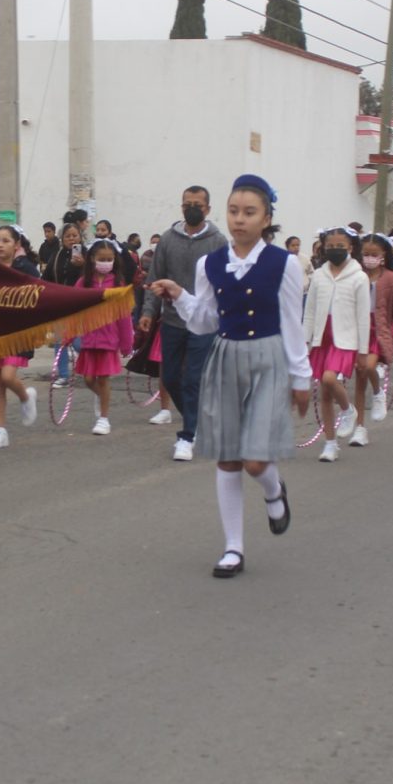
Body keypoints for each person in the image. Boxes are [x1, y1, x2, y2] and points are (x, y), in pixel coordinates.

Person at [148, 174, 310, 578]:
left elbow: (293, 323)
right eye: (234, 211)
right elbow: (205, 322)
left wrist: (301, 377)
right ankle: (233, 548)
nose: (239, 219)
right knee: (228, 458)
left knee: (256, 461)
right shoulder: (210, 263)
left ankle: (274, 490)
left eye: (249, 212)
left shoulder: (284, 264)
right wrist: (179, 294)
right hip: (226, 358)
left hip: (269, 359)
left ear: (266, 217)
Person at [139, 185, 228, 462]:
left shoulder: (218, 242)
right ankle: (197, 420)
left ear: (208, 209)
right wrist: (148, 312)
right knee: (170, 377)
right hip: (173, 320)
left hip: (204, 323)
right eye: (187, 203)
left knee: (192, 379)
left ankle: (187, 436)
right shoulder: (167, 239)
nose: (192, 208)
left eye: (198, 205)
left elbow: (225, 284)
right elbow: (155, 278)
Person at [303, 226, 370, 463]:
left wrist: (363, 351)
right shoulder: (319, 275)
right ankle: (330, 444)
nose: (335, 250)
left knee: (331, 379)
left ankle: (348, 410)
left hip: (345, 339)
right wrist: (305, 339)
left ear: (351, 248)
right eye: (330, 247)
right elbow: (310, 311)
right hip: (322, 337)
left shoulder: (359, 277)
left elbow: (363, 316)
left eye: (340, 247)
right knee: (324, 392)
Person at [0, 226, 40, 449]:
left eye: (6, 240)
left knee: (7, 376)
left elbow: (40, 294)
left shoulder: (26, 268)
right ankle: (0, 431)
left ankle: (26, 396)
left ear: (17, 245)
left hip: (18, 332)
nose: (0, 244)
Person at [353, 233, 393, 442]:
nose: (369, 258)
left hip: (379, 332)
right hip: (358, 332)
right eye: (365, 254)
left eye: (373, 254)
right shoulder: (355, 274)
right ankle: (359, 427)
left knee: (368, 367)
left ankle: (378, 392)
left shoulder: (392, 278)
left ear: (383, 254)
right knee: (359, 379)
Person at [72, 240, 135, 435]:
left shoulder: (118, 283)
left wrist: (127, 343)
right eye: (102, 259)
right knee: (89, 379)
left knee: (103, 379)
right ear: (92, 258)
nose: (106, 263)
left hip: (109, 340)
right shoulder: (84, 283)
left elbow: (124, 315)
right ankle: (102, 397)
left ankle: (104, 418)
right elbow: (72, 308)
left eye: (110, 259)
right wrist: (69, 332)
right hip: (89, 339)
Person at [45, 222, 86, 384]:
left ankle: (91, 360)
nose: (71, 239)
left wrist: (82, 265)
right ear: (62, 238)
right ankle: (63, 375)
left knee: (78, 342)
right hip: (61, 303)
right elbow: (47, 277)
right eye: (68, 236)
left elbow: (95, 277)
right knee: (59, 340)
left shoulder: (87, 254)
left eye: (74, 235)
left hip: (80, 304)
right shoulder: (57, 255)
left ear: (80, 237)